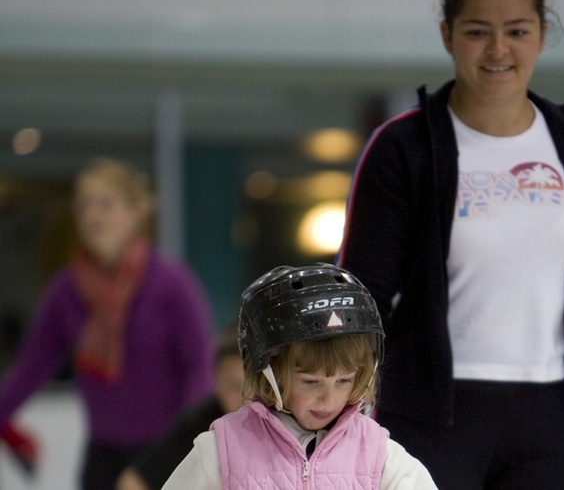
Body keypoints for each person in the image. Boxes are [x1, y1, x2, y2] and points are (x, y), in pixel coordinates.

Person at [336, 0, 564, 488]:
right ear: (448, 36)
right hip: (432, 417)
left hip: (556, 419)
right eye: (478, 31)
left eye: (517, 31)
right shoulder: (403, 150)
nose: (498, 49)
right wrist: (335, 411)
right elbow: (360, 297)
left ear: (542, 37)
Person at [0, 157, 215, 490]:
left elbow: (199, 370)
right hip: (102, 453)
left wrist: (187, 447)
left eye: (105, 204)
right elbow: (31, 369)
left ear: (136, 211)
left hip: (165, 452)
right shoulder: (66, 291)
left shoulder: (172, 285)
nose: (92, 216)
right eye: (85, 205)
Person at [161, 263, 437, 489]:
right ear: (269, 370)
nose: (329, 399)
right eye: (311, 382)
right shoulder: (224, 449)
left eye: (344, 380)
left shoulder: (377, 454)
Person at [116, 326, 246, 490]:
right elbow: (132, 482)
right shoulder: (199, 423)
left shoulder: (282, 417)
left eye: (255, 384)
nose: (246, 396)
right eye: (234, 385)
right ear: (216, 382)